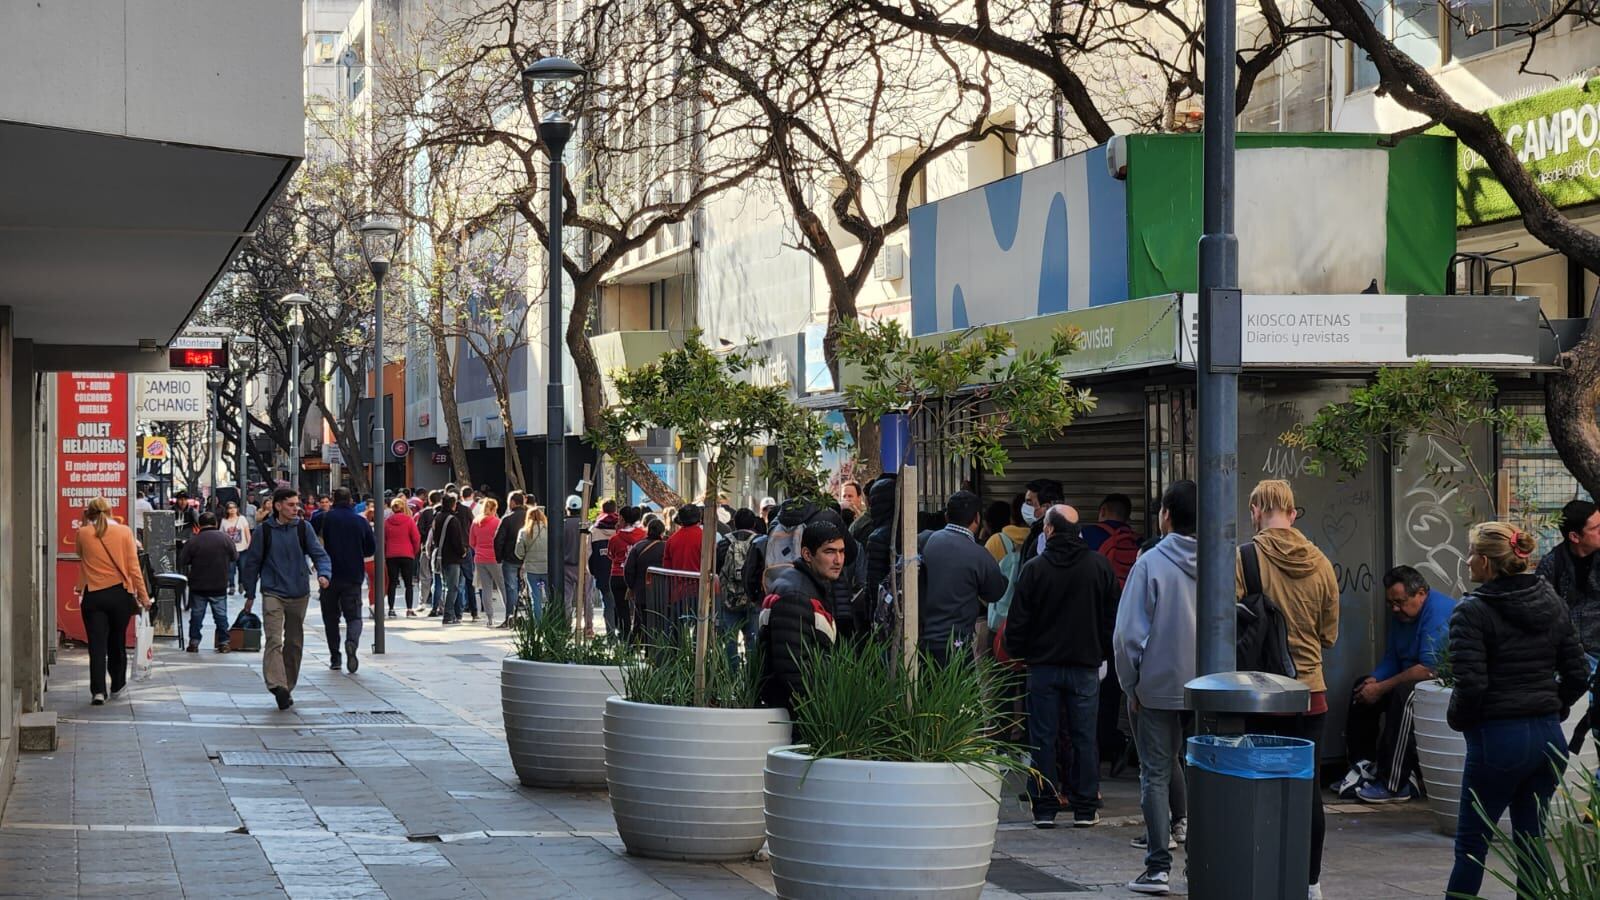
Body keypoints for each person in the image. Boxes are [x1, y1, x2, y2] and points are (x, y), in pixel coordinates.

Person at [1445, 522, 1589, 897]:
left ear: (1489, 564)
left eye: (1473, 552)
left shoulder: (1472, 612)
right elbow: (1578, 672)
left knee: (1472, 847)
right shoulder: (1552, 602)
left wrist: (1459, 719)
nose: (1468, 559)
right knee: (1531, 838)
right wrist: (1553, 707)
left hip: (1498, 739)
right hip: (1547, 740)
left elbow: (1471, 684)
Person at [1235, 479, 1339, 899]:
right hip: (1310, 693)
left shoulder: (1244, 558)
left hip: (1260, 693)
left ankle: (1261, 871)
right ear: (1293, 513)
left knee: (1256, 786)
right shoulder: (1322, 562)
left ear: (1256, 508)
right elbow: (1329, 635)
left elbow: (1229, 625)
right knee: (1307, 789)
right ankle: (1310, 881)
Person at [1007, 503, 1117, 829]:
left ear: (1050, 530)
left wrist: (1021, 652)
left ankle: (1044, 807)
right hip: (1085, 666)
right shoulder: (1100, 567)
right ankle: (1085, 807)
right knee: (1084, 736)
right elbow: (1112, 619)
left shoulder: (1034, 569)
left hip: (1042, 667)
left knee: (1043, 735)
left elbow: (1018, 622)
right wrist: (1102, 652)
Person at [1113, 481, 1198, 893]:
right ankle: (1201, 862)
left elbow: (1129, 635)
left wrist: (1131, 686)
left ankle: (1158, 866)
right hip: (1213, 688)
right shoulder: (1224, 559)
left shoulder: (1150, 563)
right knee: (1205, 772)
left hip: (1159, 685)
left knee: (1156, 774)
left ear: (1166, 514)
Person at [1340, 566, 1456, 805]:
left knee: (1406, 695)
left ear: (1421, 593)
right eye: (1390, 603)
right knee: (1361, 687)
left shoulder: (1438, 612)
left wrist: (1382, 688)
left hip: (1435, 682)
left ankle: (1395, 783)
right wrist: (1374, 680)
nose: (1395, 609)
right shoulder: (1402, 616)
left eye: (1400, 602)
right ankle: (1362, 766)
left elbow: (1427, 669)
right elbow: (1393, 658)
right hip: (1408, 675)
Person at [240, 488, 332, 710]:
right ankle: (277, 685)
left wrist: (324, 573)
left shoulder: (303, 528)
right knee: (274, 639)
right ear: (278, 505)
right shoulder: (264, 531)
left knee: (294, 642)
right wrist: (250, 593)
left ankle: (287, 687)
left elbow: (319, 553)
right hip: (273, 591)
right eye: (290, 504)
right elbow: (252, 563)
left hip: (299, 592)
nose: (296, 508)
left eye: (296, 504)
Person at [758, 520, 844, 713]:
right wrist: (815, 709)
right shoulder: (796, 595)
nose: (838, 560)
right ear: (807, 554)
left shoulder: (805, 585)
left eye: (841, 551)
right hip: (795, 711)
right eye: (829, 552)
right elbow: (792, 668)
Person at [75, 497, 152, 704]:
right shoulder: (125, 531)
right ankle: (117, 684)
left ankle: (98, 691)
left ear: (89, 513)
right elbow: (134, 568)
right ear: (110, 511)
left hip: (93, 595)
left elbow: (79, 553)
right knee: (116, 641)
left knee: (96, 645)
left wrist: (85, 523)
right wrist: (144, 597)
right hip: (119, 595)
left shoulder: (82, 533)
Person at [919, 491, 1008, 665]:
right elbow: (995, 593)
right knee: (956, 690)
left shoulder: (924, 540)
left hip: (919, 639)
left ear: (946, 516)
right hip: (956, 644)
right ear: (977, 518)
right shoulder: (979, 555)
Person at [316, 487, 375, 673]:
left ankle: (335, 657)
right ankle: (352, 642)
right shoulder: (360, 522)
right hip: (353, 575)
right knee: (354, 616)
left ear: (333, 500)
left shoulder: (322, 519)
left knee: (330, 617)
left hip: (329, 576)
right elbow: (370, 549)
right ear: (351, 500)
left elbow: (309, 542)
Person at [178, 512, 238, 654]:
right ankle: (223, 643)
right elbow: (234, 556)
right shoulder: (225, 539)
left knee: (197, 616)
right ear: (215, 523)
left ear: (199, 524)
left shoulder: (194, 540)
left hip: (198, 585)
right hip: (219, 584)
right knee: (221, 616)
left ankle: (194, 643)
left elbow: (183, 560)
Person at [717, 508, 762, 665]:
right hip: (752, 598)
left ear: (734, 523)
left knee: (730, 639)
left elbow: (718, 569)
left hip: (729, 599)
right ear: (754, 523)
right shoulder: (760, 541)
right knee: (753, 638)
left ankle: (732, 677)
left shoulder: (724, 542)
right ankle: (752, 676)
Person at [1080, 493, 1140, 589]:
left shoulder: (1085, 534)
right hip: (1127, 596)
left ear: (1103, 511)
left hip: (1099, 595)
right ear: (1127, 517)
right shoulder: (1139, 541)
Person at [608, 506, 646, 642]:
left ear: (622, 519)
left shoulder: (615, 539)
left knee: (621, 609)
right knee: (638, 608)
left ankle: (625, 638)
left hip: (618, 575)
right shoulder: (643, 535)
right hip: (636, 576)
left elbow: (610, 555)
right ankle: (637, 638)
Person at [430, 494, 470, 624]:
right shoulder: (452, 520)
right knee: (453, 587)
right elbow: (457, 540)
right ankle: (448, 614)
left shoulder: (437, 517)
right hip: (452, 557)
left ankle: (449, 613)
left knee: (445, 585)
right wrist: (462, 551)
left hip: (441, 556)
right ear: (453, 505)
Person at [470, 497, 507, 626]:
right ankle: (509, 614)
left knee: (486, 588)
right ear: (494, 509)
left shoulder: (475, 522)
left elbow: (471, 542)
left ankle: (489, 618)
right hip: (495, 558)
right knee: (502, 586)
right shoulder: (497, 522)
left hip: (479, 558)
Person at [383, 497, 422, 618]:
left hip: (391, 554)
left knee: (392, 583)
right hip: (407, 554)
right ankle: (409, 609)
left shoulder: (387, 522)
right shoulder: (409, 521)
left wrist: (385, 553)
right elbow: (416, 538)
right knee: (408, 583)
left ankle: (391, 608)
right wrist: (414, 551)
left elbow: (383, 539)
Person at [495, 491, 528, 623]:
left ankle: (510, 617)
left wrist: (499, 557)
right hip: (528, 558)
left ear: (513, 502)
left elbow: (499, 540)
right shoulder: (530, 517)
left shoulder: (507, 519)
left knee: (511, 588)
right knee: (529, 587)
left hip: (510, 558)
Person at [515, 505, 552, 619]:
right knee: (549, 596)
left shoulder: (524, 532)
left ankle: (538, 624)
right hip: (547, 568)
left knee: (535, 597)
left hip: (532, 570)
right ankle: (550, 620)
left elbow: (518, 552)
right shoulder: (549, 530)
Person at [590, 501, 620, 635]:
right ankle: (624, 632)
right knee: (622, 604)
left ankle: (610, 633)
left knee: (607, 603)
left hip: (603, 573)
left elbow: (589, 554)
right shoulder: (621, 527)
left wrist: (593, 572)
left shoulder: (594, 530)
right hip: (621, 573)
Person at [1019, 479, 1064, 565]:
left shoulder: (1044, 539)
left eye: (1029, 502)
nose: (1024, 507)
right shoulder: (1035, 533)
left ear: (1047, 507)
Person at [220, 500, 252, 595]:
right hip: (230, 550)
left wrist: (249, 544)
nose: (232, 510)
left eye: (234, 507)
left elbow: (247, 533)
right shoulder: (224, 521)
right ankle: (232, 586)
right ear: (227, 510)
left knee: (243, 567)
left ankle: (241, 583)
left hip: (243, 548)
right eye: (230, 508)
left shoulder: (242, 519)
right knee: (230, 569)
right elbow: (221, 535)